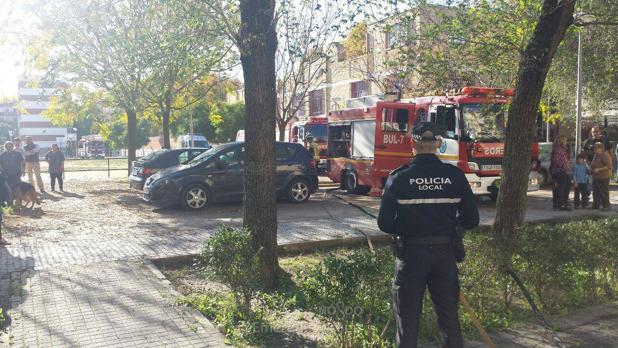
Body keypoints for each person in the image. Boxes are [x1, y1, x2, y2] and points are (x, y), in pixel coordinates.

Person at [378, 122, 479, 348]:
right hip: (445, 256)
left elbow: (384, 223)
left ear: (412, 144)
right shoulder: (455, 176)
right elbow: (472, 220)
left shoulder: (399, 178)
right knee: (449, 321)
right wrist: (452, 227)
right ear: (439, 144)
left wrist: (406, 226)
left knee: (408, 323)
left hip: (411, 257)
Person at [550, 135, 571, 210]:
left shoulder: (561, 149)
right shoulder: (558, 150)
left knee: (564, 187)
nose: (566, 142)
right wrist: (565, 168)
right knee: (561, 188)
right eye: (565, 140)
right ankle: (560, 204)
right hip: (560, 172)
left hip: (561, 171)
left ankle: (561, 203)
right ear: (561, 141)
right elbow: (558, 161)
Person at [590, 142, 612, 211]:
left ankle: (606, 206)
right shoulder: (596, 155)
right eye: (594, 148)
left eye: (596, 148)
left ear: (601, 148)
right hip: (596, 177)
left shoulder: (605, 155)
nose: (595, 149)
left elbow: (609, 166)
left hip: (604, 177)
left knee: (604, 191)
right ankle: (595, 205)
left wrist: (599, 169)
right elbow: (593, 164)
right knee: (595, 191)